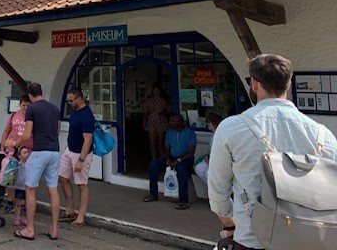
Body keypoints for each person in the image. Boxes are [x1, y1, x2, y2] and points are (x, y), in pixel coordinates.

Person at [208, 54, 337, 250]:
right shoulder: (322, 134)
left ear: (254, 84)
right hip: (312, 241)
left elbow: (218, 190)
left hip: (254, 239)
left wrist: (230, 223)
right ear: (289, 83)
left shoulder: (231, 128)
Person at [13, 82, 61, 241]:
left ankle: (30, 229)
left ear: (30, 95)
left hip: (39, 152)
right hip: (54, 151)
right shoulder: (54, 108)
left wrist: (15, 145)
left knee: (30, 188)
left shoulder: (32, 109)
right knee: (53, 189)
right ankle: (54, 229)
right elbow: (57, 131)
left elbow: (26, 135)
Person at [58, 87, 95, 230]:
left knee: (81, 184)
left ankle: (81, 218)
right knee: (63, 178)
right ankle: (70, 210)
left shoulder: (86, 115)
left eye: (71, 100)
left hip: (81, 154)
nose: (69, 103)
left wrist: (81, 160)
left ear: (79, 99)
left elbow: (88, 140)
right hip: (69, 150)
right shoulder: (75, 111)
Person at [143, 113, 196, 210]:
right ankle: (153, 194)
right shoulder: (170, 132)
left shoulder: (190, 133)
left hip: (185, 159)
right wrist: (168, 159)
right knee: (153, 164)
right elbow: (166, 149)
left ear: (179, 122)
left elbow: (190, 152)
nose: (170, 123)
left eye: (172, 121)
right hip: (171, 157)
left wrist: (178, 160)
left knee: (181, 169)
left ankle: (184, 201)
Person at [0, 93, 32, 209]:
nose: (26, 108)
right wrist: (2, 145)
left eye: (28, 105)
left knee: (24, 178)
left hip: (26, 152)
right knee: (10, 176)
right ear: (20, 105)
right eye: (24, 105)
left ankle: (23, 202)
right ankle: (10, 201)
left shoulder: (32, 118)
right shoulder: (14, 116)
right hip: (11, 150)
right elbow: (6, 131)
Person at [143, 84, 170, 160]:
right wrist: (145, 121)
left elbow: (167, 111)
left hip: (161, 120)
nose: (156, 93)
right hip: (151, 120)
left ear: (160, 92)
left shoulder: (163, 100)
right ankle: (153, 159)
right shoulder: (149, 100)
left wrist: (163, 113)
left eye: (157, 91)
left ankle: (161, 159)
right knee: (152, 142)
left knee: (161, 143)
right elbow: (146, 112)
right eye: (154, 91)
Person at [193, 113, 222, 184]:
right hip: (210, 160)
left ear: (214, 123)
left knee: (208, 173)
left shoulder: (221, 135)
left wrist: (211, 160)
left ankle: (215, 192)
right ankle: (212, 188)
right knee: (198, 168)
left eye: (209, 122)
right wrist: (207, 156)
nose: (207, 124)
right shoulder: (213, 135)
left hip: (220, 163)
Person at [10, 146, 31, 227]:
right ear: (19, 156)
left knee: (28, 204)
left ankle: (27, 219)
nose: (27, 154)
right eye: (24, 153)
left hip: (27, 187)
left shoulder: (29, 165)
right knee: (18, 203)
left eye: (27, 152)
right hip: (19, 187)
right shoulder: (17, 165)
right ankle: (17, 218)